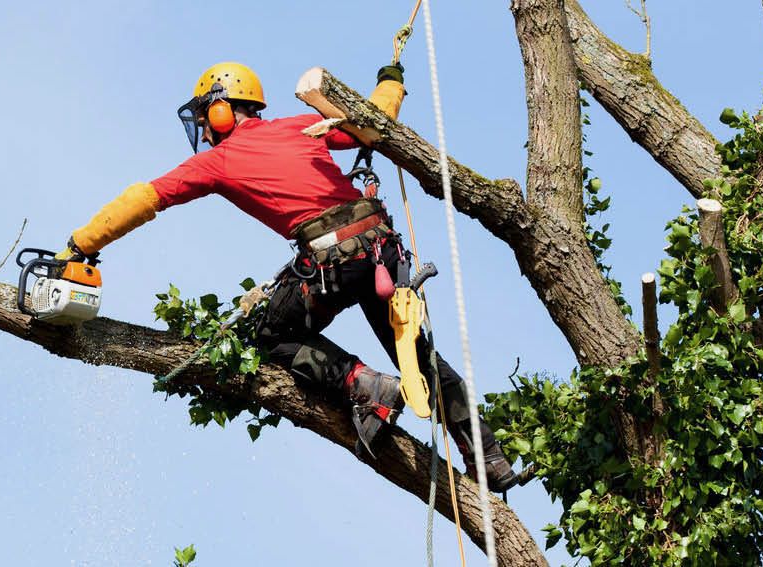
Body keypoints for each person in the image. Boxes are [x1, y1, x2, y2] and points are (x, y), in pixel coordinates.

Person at [56, 62, 516, 490]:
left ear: (220, 110)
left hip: (333, 261)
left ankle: (362, 383)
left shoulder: (218, 161)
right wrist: (391, 78)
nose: (203, 130)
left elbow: (146, 198)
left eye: (204, 117)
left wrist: (80, 244)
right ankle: (489, 455)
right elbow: (376, 120)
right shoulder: (301, 126)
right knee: (416, 355)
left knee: (270, 335)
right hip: (379, 250)